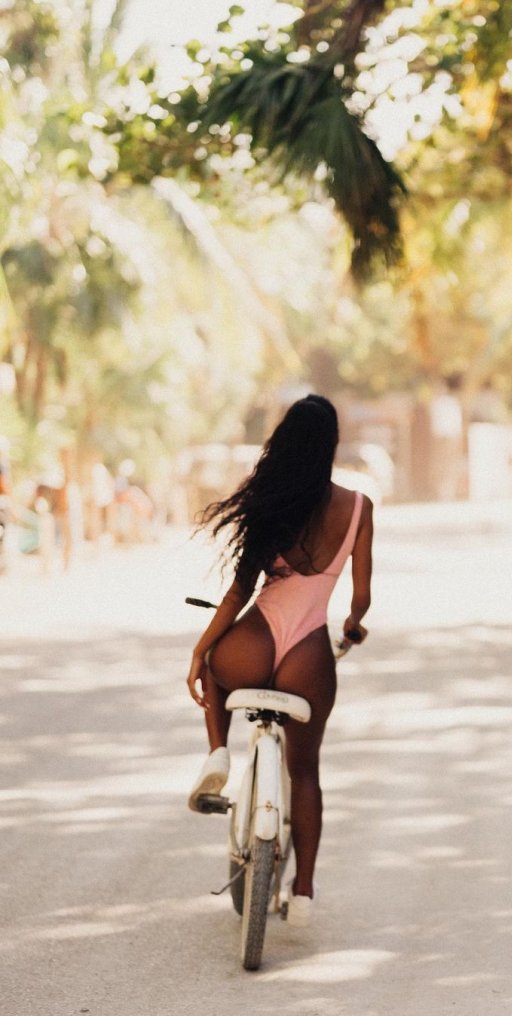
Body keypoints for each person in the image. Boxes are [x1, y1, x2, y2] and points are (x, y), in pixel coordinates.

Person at [185, 395, 373, 928]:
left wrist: (202, 648)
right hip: (308, 654)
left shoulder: (274, 500)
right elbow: (360, 598)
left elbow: (240, 590)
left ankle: (218, 754)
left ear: (285, 443)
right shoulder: (358, 509)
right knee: (306, 770)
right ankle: (305, 891)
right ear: (332, 445)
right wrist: (352, 627)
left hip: (258, 642)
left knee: (218, 669)